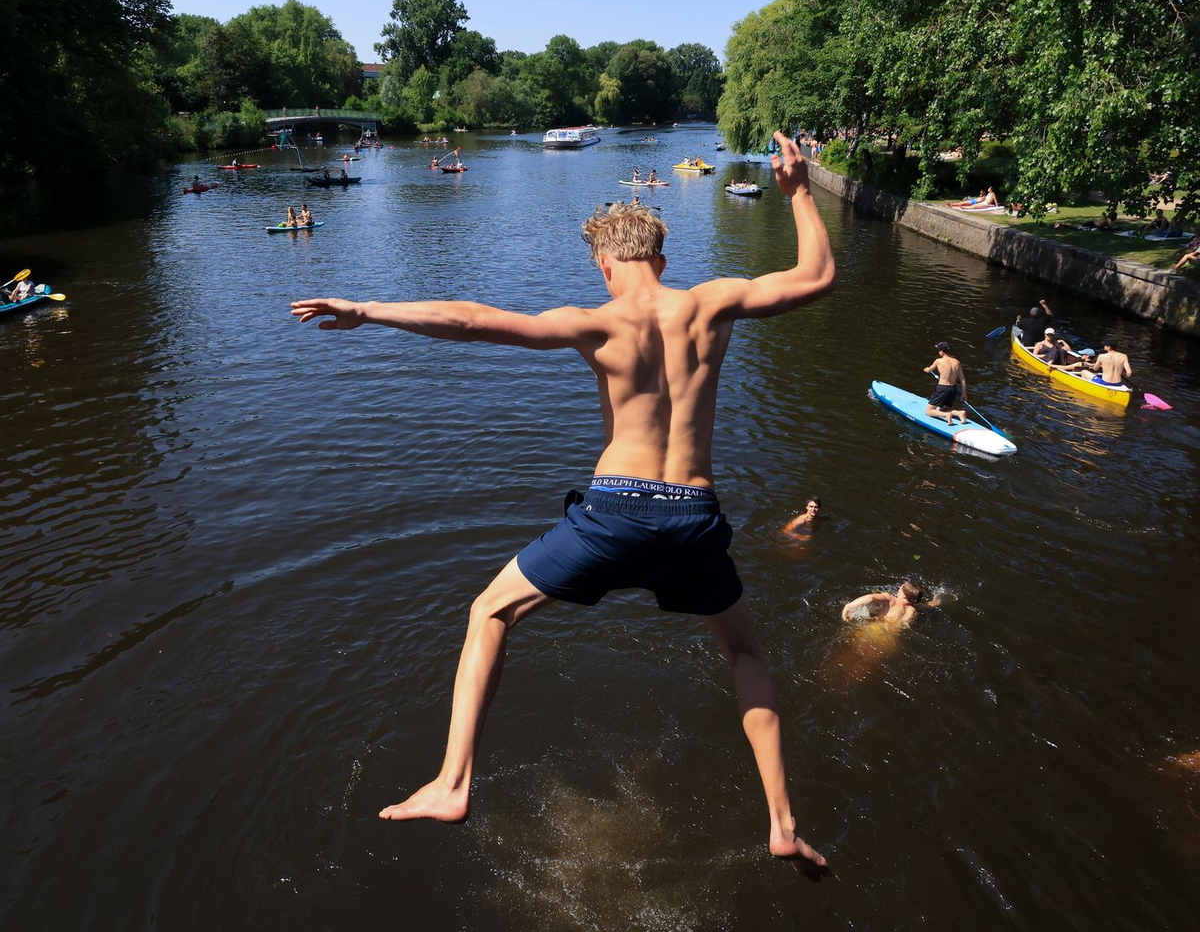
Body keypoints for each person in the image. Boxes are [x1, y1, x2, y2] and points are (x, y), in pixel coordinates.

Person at [290, 131, 836, 867]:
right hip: (692, 517)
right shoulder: (714, 303)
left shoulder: (597, 321)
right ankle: (781, 822)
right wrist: (798, 187)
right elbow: (816, 275)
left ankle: (453, 782)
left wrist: (369, 308)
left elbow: (473, 319)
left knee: (489, 610)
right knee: (744, 652)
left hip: (614, 511)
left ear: (603, 263)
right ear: (663, 261)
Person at [840, 582, 942, 628]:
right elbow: (932, 605)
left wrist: (849, 607)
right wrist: (939, 599)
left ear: (904, 595)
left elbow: (872, 598)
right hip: (891, 642)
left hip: (875, 631)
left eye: (900, 588)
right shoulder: (916, 608)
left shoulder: (891, 599)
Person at [924, 341, 967, 425]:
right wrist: (964, 393)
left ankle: (947, 415)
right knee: (942, 409)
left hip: (942, 388)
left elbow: (929, 370)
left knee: (929, 411)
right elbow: (962, 379)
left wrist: (926, 369)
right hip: (953, 389)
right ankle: (959, 413)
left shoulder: (938, 361)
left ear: (942, 352)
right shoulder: (957, 362)